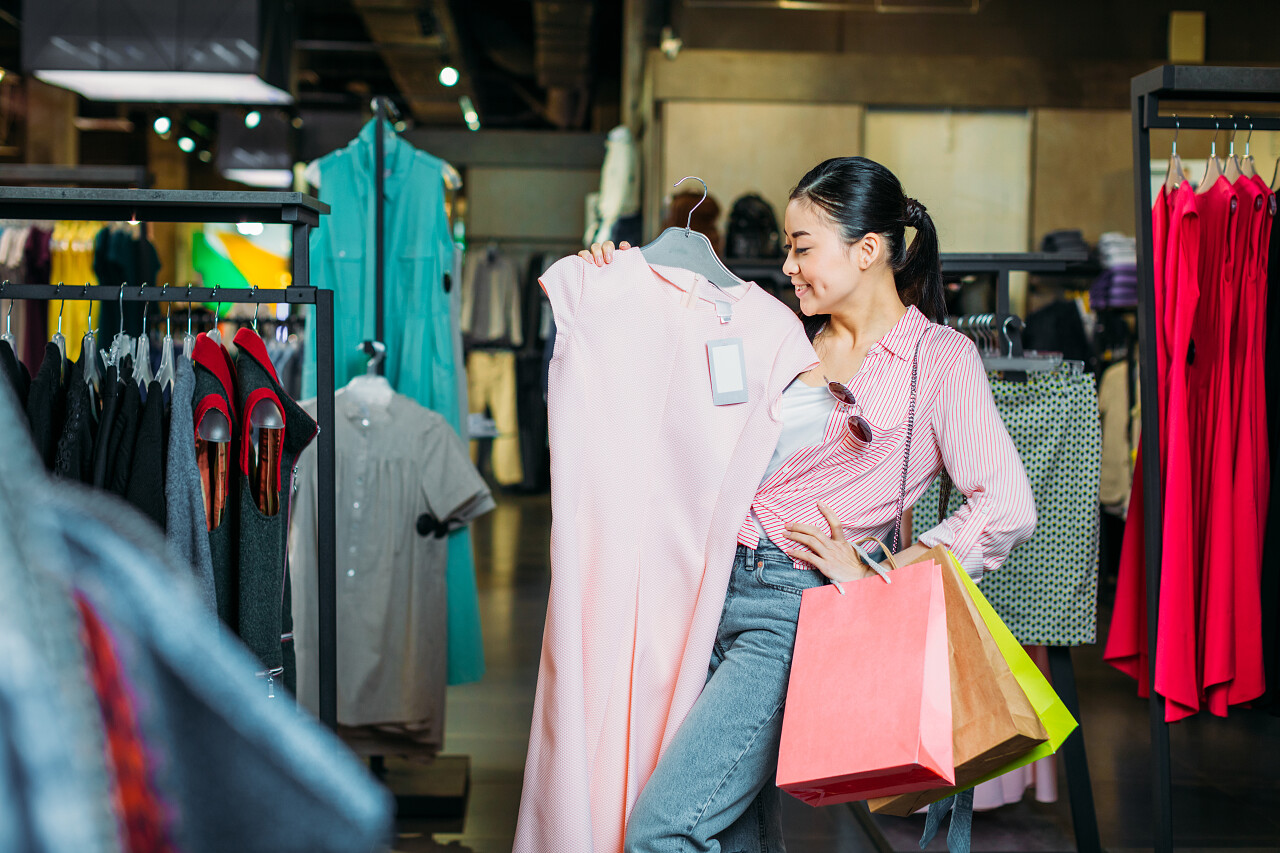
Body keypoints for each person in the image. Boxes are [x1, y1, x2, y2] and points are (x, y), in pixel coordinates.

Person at [577, 156, 1036, 853]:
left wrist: (887, 573)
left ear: (868, 248)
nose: (788, 264)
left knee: (664, 830)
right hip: (706, 594)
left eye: (801, 247)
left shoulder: (939, 361)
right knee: (736, 835)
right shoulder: (783, 338)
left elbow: (1005, 505)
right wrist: (611, 281)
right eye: (788, 248)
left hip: (791, 612)